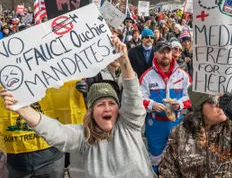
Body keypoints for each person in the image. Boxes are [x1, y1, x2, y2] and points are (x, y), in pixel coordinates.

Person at [1, 37, 157, 178]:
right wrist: (22, 108)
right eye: (100, 104)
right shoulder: (85, 136)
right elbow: (57, 132)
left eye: (112, 103)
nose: (107, 108)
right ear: (92, 112)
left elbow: (132, 94)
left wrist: (124, 60)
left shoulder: (129, 125)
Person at [159, 89, 232, 178]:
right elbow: (168, 170)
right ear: (200, 107)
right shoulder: (180, 132)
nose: (220, 105)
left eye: (222, 100)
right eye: (214, 100)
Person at [140, 41, 192, 174]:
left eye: (168, 51)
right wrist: (152, 105)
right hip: (155, 124)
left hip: (177, 122)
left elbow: (191, 97)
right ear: (155, 53)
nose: (165, 55)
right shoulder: (147, 76)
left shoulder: (183, 75)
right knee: (155, 158)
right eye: (162, 52)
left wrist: (179, 104)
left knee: (178, 156)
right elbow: (138, 98)